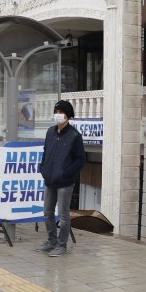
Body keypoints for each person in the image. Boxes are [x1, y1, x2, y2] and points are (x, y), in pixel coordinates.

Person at [36, 100, 86, 257]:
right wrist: (43, 169)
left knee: (63, 216)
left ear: (68, 115)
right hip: (50, 180)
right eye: (56, 111)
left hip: (65, 182)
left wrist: (67, 173)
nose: (57, 115)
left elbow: (80, 159)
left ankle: (62, 245)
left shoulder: (74, 136)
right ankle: (51, 241)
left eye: (60, 112)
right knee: (47, 212)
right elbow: (46, 153)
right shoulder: (50, 132)